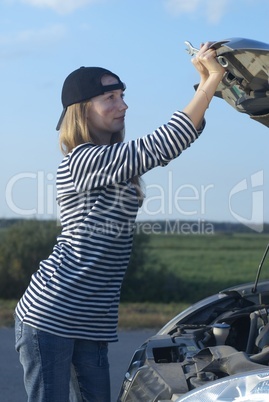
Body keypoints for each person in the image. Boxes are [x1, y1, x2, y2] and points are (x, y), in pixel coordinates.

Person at [15, 42, 225, 402]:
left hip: (93, 319)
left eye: (122, 95)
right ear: (82, 110)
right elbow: (163, 144)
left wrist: (206, 81)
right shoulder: (83, 160)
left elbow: (179, 138)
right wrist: (210, 82)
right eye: (109, 97)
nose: (123, 105)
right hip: (52, 314)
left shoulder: (113, 162)